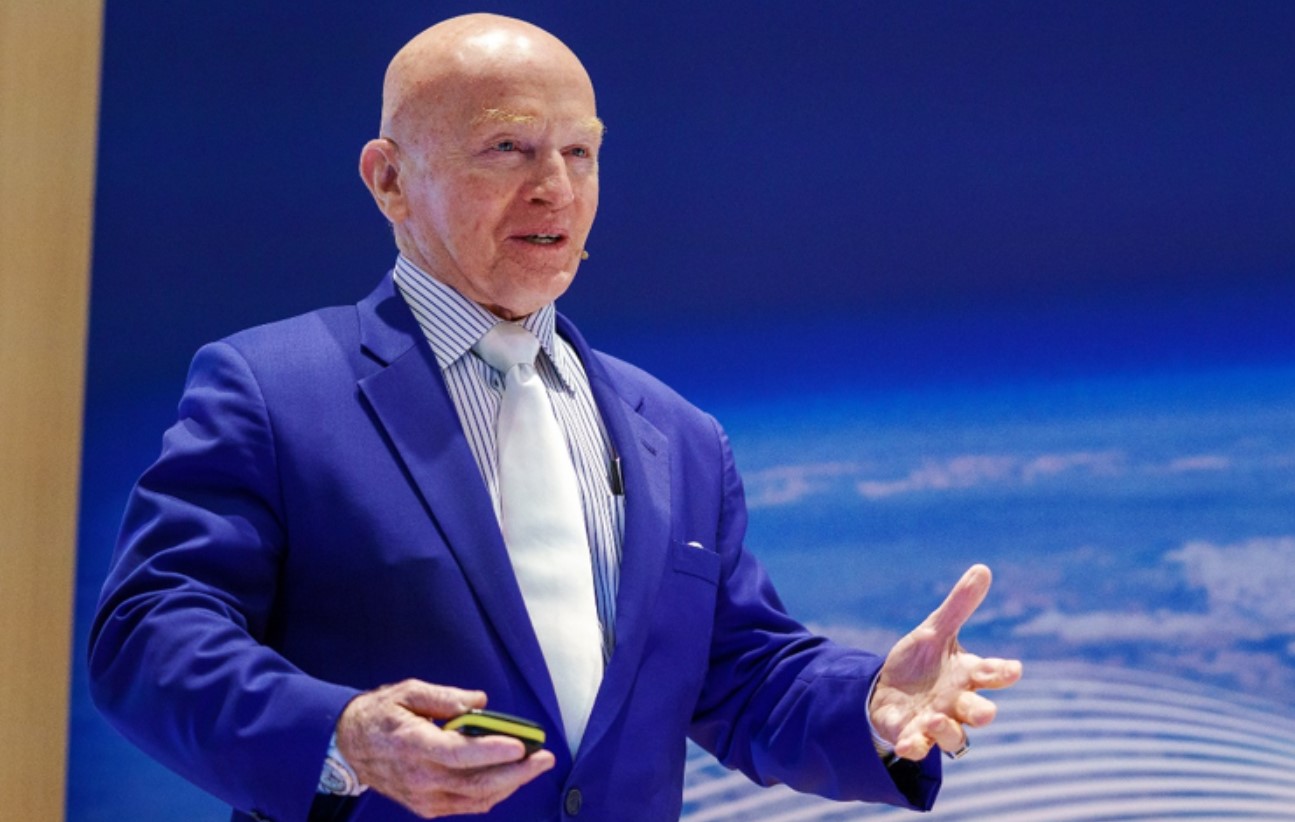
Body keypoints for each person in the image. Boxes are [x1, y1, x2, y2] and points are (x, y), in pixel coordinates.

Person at [88, 13, 1021, 822]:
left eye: (580, 153)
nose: (556, 189)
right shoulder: (274, 389)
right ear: (389, 180)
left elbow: (740, 671)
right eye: (507, 148)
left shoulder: (678, 435)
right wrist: (341, 733)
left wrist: (867, 707)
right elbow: (151, 632)